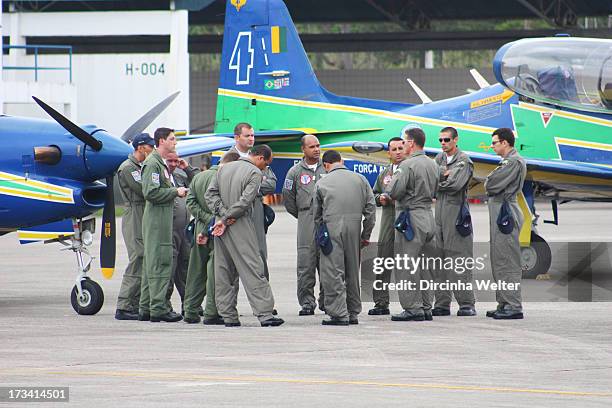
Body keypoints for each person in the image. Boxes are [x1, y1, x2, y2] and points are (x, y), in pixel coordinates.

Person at [205, 145, 284, 327]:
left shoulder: (223, 168)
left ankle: (228, 316)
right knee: (252, 267)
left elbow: (210, 195)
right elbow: (246, 200)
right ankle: (265, 314)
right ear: (260, 158)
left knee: (223, 269)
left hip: (221, 226)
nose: (265, 168)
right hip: (239, 223)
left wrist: (222, 215)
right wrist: (227, 217)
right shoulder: (254, 173)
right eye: (266, 164)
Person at [313, 150, 376, 326]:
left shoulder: (322, 182)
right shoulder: (360, 179)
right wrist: (365, 235)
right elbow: (371, 210)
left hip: (332, 226)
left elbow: (316, 214)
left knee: (333, 271)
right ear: (341, 161)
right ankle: (353, 311)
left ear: (326, 165)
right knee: (353, 271)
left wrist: (320, 234)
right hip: (355, 227)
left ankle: (339, 313)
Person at [386, 127, 439, 322]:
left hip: (411, 217)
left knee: (407, 264)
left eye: (404, 141)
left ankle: (412, 307)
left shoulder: (407, 165)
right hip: (428, 215)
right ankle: (426, 306)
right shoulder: (433, 164)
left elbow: (394, 191)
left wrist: (388, 191)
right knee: (426, 266)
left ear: (410, 143)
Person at [183, 151, 240, 325]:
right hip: (219, 229)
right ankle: (211, 311)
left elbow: (190, 202)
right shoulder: (225, 179)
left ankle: (190, 310)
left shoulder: (199, 177)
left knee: (195, 271)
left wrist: (203, 218)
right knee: (216, 271)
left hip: (200, 226)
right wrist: (213, 220)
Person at [139, 127, 187, 323]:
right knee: (160, 261)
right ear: (161, 141)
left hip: (162, 219)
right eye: (172, 139)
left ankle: (146, 306)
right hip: (158, 221)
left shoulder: (160, 164)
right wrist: (175, 192)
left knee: (152, 263)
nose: (174, 142)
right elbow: (150, 193)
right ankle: (158, 308)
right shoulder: (153, 164)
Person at [432, 127, 477, 317]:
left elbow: (455, 185)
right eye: (441, 140)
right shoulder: (439, 159)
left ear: (455, 140)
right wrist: (443, 175)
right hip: (439, 213)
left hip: (456, 212)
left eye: (447, 140)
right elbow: (430, 183)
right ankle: (442, 303)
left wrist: (439, 180)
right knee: (439, 260)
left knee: (458, 259)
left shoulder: (464, 160)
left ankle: (467, 303)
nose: (443, 143)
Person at [224, 122, 277, 280]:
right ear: (237, 137)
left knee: (260, 254)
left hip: (256, 211)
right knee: (232, 259)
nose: (251, 139)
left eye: (253, 135)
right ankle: (230, 304)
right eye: (247, 136)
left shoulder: (258, 156)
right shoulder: (229, 158)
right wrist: (252, 185)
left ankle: (263, 300)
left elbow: (272, 183)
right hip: (235, 211)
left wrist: (251, 188)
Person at [484, 127, 527, 320]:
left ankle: (513, 305)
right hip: (500, 212)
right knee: (499, 258)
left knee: (508, 259)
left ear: (505, 142)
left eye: (494, 142)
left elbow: (491, 184)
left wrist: (488, 182)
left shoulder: (513, 162)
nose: (492, 146)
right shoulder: (506, 162)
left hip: (505, 212)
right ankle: (503, 302)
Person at [283, 135, 326, 316]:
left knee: (327, 263)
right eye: (312, 147)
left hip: (326, 218)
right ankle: (307, 303)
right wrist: (302, 214)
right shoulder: (294, 172)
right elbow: (288, 198)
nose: (316, 149)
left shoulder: (328, 167)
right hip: (306, 218)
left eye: (318, 146)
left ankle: (328, 301)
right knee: (305, 264)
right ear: (303, 149)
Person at [115, 133, 155, 320]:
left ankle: (136, 303)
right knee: (138, 257)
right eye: (149, 146)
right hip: (135, 213)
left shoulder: (140, 167)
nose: (152, 150)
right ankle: (124, 305)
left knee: (145, 257)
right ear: (140, 147)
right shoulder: (128, 168)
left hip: (143, 212)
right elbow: (143, 189)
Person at [369, 136, 405, 316]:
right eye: (394, 149)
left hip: (406, 217)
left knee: (409, 263)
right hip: (388, 219)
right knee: (383, 260)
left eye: (401, 148)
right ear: (389, 153)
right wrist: (380, 199)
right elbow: (374, 194)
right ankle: (381, 302)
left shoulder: (409, 169)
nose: (398, 152)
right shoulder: (385, 173)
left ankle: (416, 303)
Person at [163, 152, 200, 313]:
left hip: (184, 228)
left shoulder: (179, 175)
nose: (173, 164)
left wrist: (188, 168)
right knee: (168, 268)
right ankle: (164, 305)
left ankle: (190, 305)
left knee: (186, 267)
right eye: (169, 161)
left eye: (175, 161)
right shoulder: (159, 176)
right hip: (168, 228)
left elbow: (199, 182)